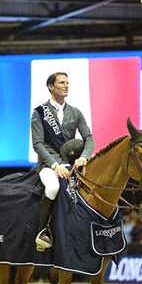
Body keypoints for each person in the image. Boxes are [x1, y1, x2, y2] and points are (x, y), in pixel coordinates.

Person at [31, 72, 95, 251]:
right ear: (51, 87)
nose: (66, 86)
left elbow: (89, 138)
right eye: (61, 83)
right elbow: (38, 144)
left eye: (67, 82)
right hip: (48, 164)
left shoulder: (75, 112)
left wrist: (84, 157)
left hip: (71, 162)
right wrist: (55, 165)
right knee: (53, 187)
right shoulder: (39, 113)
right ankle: (42, 232)